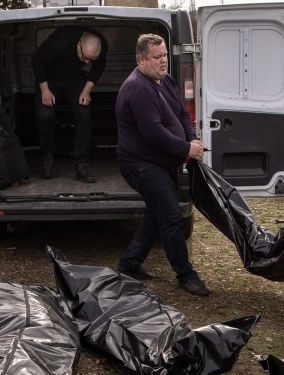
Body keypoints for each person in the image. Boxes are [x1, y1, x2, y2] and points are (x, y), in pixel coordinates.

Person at [115, 34, 210, 297]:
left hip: (160, 161)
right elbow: (152, 133)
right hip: (140, 165)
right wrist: (185, 149)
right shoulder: (138, 88)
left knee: (156, 213)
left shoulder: (164, 80)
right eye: (158, 57)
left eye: (165, 55)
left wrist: (191, 138)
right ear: (142, 60)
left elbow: (182, 112)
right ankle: (185, 275)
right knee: (170, 216)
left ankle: (129, 264)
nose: (164, 61)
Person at [32, 25, 108, 183]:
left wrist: (86, 91)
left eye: (90, 59)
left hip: (74, 78)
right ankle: (47, 156)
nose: (86, 61)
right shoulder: (61, 39)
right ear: (78, 44)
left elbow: (98, 68)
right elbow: (37, 60)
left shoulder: (101, 45)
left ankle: (82, 162)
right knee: (45, 114)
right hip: (49, 76)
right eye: (85, 57)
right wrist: (45, 90)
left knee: (83, 112)